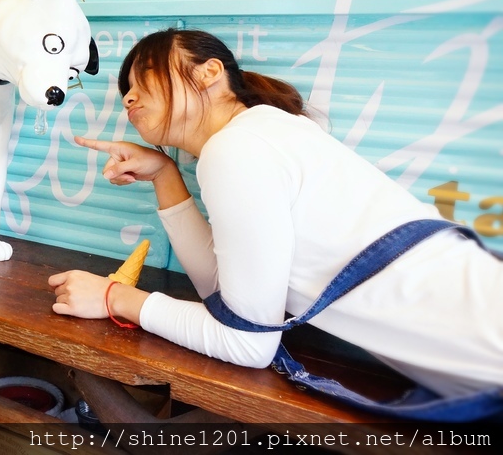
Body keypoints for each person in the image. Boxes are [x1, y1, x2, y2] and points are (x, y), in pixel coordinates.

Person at [48, 28, 503, 410]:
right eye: (124, 87)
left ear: (209, 73)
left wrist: (114, 297)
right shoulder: (262, 134)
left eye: (143, 75)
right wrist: (166, 174)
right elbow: (232, 305)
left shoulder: (238, 148)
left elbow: (248, 345)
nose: (128, 95)